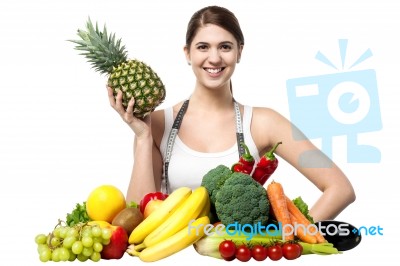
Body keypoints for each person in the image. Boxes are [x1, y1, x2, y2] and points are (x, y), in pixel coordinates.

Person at [107, 5, 355, 222]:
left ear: (239, 51)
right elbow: (136, 217)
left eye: (225, 47)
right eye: (203, 47)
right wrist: (142, 137)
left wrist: (291, 237)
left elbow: (340, 188)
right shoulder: (158, 123)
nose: (214, 58)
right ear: (187, 53)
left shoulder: (265, 123)